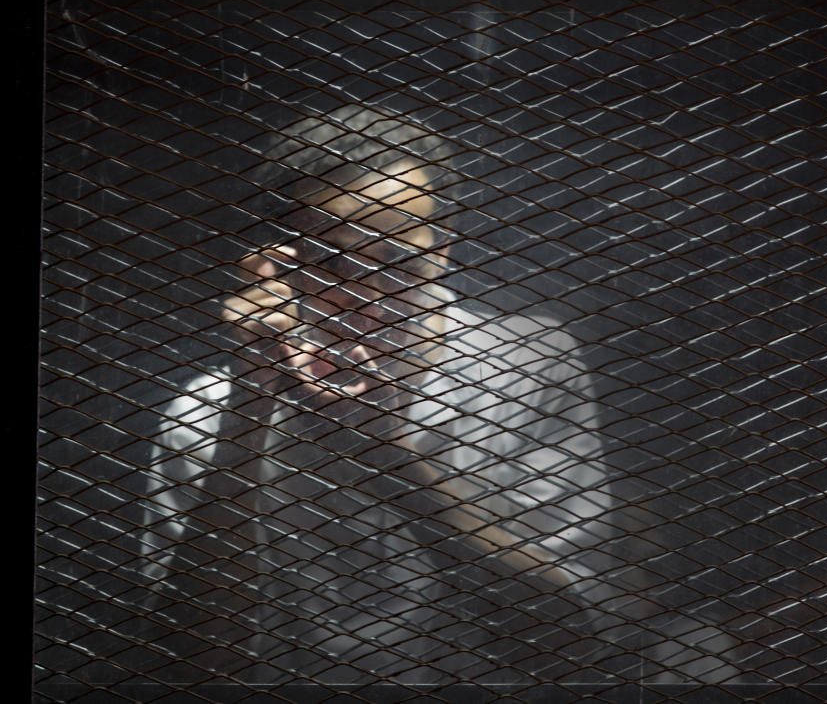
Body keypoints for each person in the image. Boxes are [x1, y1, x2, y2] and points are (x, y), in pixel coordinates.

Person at [138, 106, 612, 687]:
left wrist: (390, 457)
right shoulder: (207, 409)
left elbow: (573, 640)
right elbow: (189, 660)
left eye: (395, 260)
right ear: (276, 265)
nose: (365, 297)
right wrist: (249, 404)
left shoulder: (525, 365)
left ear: (442, 252)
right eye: (331, 261)